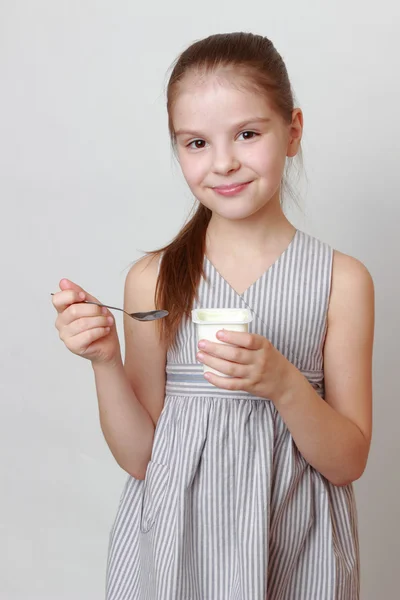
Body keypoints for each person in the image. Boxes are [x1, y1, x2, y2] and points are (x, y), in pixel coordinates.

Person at [52, 32, 374, 600]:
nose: (223, 162)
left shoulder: (341, 282)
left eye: (247, 134)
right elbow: (141, 458)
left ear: (292, 131)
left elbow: (348, 461)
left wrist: (285, 386)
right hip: (177, 551)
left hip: (296, 552)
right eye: (196, 143)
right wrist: (105, 362)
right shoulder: (153, 279)